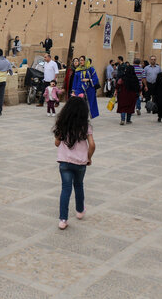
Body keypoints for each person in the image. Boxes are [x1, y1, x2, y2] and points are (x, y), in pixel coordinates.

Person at [52, 96, 95, 230]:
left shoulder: (63, 124)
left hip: (64, 162)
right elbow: (92, 145)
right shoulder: (85, 126)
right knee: (79, 185)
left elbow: (57, 143)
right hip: (80, 163)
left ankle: (63, 219)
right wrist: (89, 157)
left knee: (66, 189)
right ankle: (80, 211)